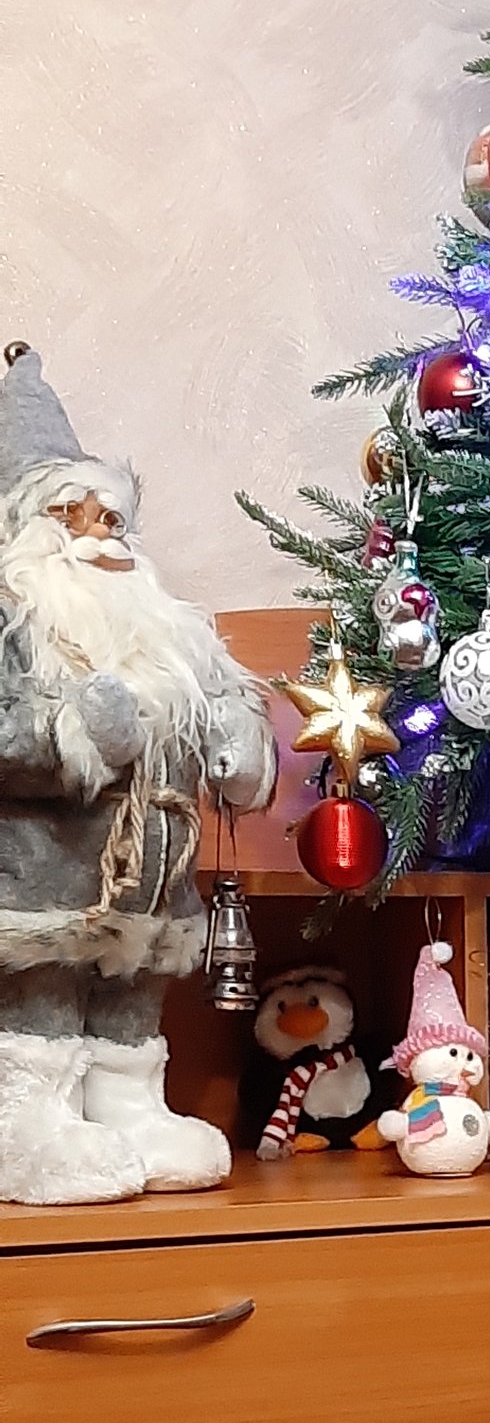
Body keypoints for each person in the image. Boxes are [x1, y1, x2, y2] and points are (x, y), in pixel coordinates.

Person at [0, 343, 276, 1202]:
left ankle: (129, 1111)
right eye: (70, 515)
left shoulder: (168, 629)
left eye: (110, 517)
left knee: (130, 996)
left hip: (155, 890)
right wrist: (74, 733)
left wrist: (237, 738)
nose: (97, 534)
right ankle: (27, 1126)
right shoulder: (17, 627)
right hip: (46, 883)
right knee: (44, 995)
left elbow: (219, 703)